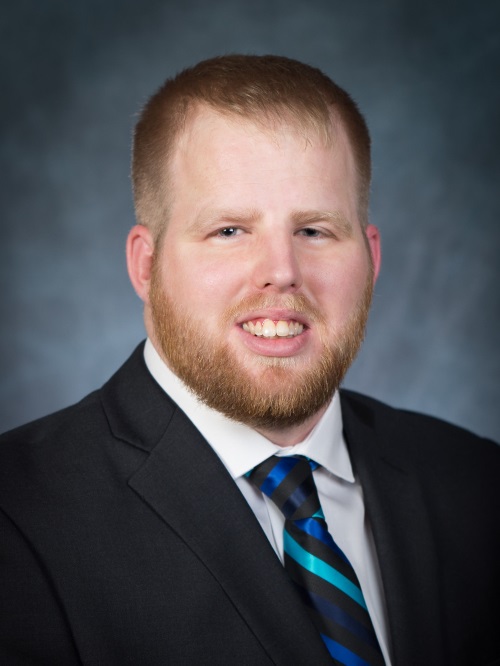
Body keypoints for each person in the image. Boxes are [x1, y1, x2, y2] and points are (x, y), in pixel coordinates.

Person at [0, 55, 498, 666]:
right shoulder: (19, 515)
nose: (281, 272)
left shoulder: (478, 484)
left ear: (370, 258)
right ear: (146, 266)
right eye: (230, 231)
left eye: (314, 230)